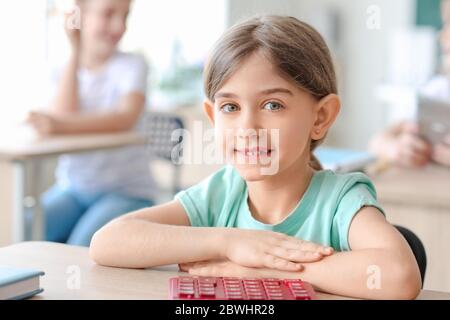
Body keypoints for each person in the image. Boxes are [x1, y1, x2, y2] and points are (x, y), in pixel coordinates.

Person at [89, 15, 421, 299]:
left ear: (320, 117)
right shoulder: (221, 194)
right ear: (212, 115)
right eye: (230, 107)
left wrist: (266, 271)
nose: (247, 127)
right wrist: (230, 242)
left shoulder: (339, 200)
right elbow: (108, 242)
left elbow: (399, 274)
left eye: (273, 105)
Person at [27, 0, 156, 247]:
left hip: (126, 191)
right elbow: (65, 113)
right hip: (74, 188)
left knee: (81, 245)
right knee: (24, 225)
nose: (119, 26)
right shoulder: (62, 69)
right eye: (108, 14)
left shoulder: (133, 64)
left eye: (125, 16)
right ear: (80, 15)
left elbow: (125, 119)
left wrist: (59, 125)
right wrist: (75, 51)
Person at [369, 0, 450, 168]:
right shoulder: (439, 90)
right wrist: (397, 149)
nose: (441, 35)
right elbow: (377, 142)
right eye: (445, 23)